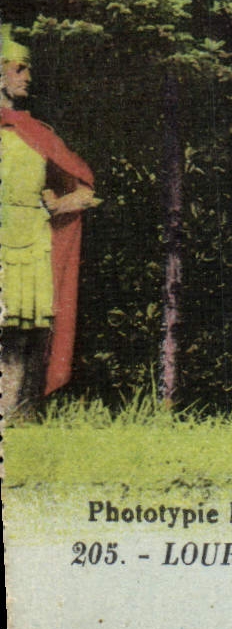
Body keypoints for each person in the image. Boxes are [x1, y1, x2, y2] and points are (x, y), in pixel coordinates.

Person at [0, 29, 98, 422]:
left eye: (28, 70)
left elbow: (84, 188)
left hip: (32, 240)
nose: (27, 77)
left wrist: (60, 205)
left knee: (26, 332)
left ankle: (16, 415)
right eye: (18, 69)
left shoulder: (37, 133)